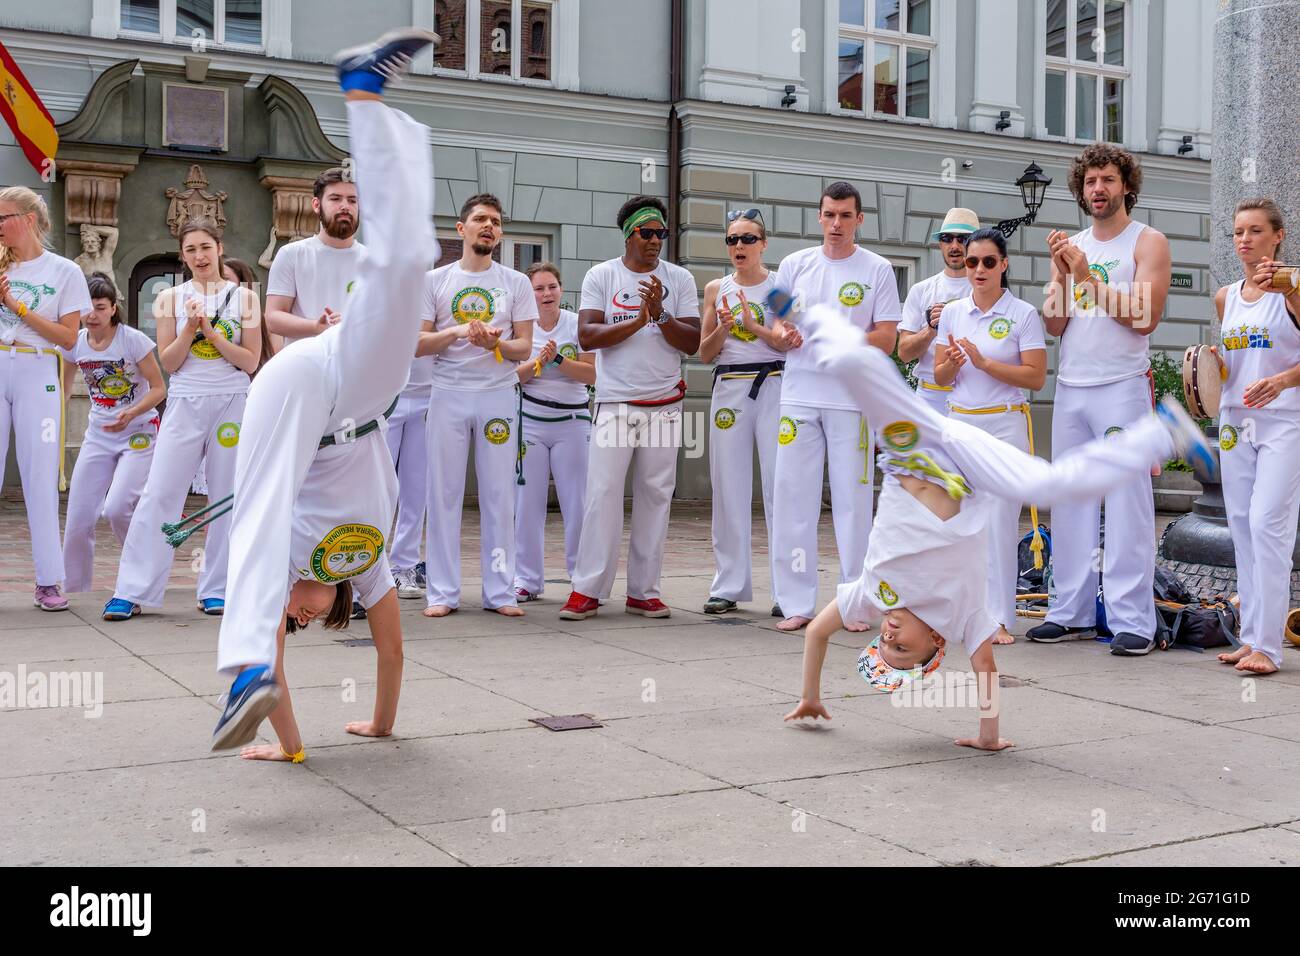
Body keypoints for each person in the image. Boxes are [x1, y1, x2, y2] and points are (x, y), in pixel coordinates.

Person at [778, 297, 1216, 747]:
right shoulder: (963, 618)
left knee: (854, 367)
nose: (887, 635)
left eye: (884, 644)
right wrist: (989, 737)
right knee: (1052, 485)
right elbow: (985, 669)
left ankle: (801, 311)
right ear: (934, 642)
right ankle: (1165, 432)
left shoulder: (873, 595)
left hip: (915, 443)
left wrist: (810, 695)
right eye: (900, 647)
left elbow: (816, 632)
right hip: (968, 467)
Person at [210, 27, 438, 752]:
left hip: (317, 389)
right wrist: (382, 725)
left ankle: (360, 93)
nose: (298, 618)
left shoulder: (296, 567)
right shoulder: (369, 571)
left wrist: (293, 746)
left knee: (401, 260)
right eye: (305, 621)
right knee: (411, 266)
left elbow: (289, 599)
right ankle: (246, 667)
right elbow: (395, 655)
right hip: (345, 390)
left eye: (289, 627)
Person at [1032, 144, 1172, 656]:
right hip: (1072, 385)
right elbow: (1054, 323)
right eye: (1090, 181)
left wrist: (1088, 276)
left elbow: (1145, 317)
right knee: (1070, 500)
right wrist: (1061, 272)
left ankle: (1133, 620)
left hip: (1121, 385)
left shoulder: (1147, 241)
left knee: (1127, 502)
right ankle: (1069, 612)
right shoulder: (1073, 245)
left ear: (1125, 186)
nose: (1098, 189)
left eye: (1108, 180)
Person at [101, 219, 261, 620]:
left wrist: (214, 332)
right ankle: (132, 589)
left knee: (226, 494)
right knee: (160, 493)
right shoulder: (169, 297)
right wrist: (190, 328)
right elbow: (170, 363)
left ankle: (217, 588)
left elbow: (250, 362)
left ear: (219, 248)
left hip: (231, 402)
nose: (199, 256)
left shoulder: (245, 299)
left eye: (205, 247)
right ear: (183, 255)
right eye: (191, 250)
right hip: (186, 401)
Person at [558, 196, 701, 621]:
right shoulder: (602, 274)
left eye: (661, 232)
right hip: (616, 402)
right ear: (629, 234)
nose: (656, 240)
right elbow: (587, 336)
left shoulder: (680, 279)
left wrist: (659, 315)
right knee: (602, 494)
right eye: (647, 232)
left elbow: (691, 342)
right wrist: (638, 320)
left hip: (665, 404)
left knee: (655, 496)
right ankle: (587, 590)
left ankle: (644, 591)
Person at [767, 182, 902, 631]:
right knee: (793, 500)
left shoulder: (877, 269)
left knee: (853, 503)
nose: (836, 224)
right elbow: (776, 319)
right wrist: (784, 333)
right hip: (800, 397)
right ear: (819, 216)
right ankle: (795, 603)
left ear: (859, 219)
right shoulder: (794, 265)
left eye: (845, 216)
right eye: (829, 215)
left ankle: (856, 602)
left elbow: (887, 338)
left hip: (851, 399)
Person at [417, 193, 536, 618]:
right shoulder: (436, 281)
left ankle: (501, 592)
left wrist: (495, 343)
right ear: (461, 229)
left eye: (496, 222)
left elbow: (524, 348)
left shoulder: (516, 283)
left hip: (497, 394)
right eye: (481, 219)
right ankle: (442, 593)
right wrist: (456, 334)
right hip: (448, 393)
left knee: (500, 495)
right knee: (443, 493)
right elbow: (417, 344)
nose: (490, 227)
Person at [933, 228, 1046, 642]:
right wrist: (955, 363)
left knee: (999, 521)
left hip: (1004, 423)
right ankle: (962, 611)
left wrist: (983, 362)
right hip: (961, 423)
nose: (978, 270)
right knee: (960, 522)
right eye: (971, 262)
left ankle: (999, 618)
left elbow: (1034, 377)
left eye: (987, 262)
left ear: (1003, 265)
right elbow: (942, 377)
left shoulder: (1022, 314)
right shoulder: (952, 313)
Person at [1211, 198, 1300, 676]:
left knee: (1269, 524)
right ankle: (1251, 639)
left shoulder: (1293, 290)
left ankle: (1269, 646)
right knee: (1243, 527)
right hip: (1232, 422)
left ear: (1277, 236)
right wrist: (1205, 369)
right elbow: (1230, 363)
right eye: (1238, 232)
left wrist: (1283, 381)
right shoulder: (1226, 296)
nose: (1244, 239)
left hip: (1283, 419)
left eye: (1256, 231)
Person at [697, 209, 799, 615]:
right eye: (732, 240)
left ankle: (786, 590)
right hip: (729, 387)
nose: (739, 246)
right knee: (728, 487)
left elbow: (786, 343)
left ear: (763, 244)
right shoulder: (715, 288)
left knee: (780, 487)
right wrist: (723, 327)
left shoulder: (777, 288)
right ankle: (729, 584)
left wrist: (750, 324)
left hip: (773, 384)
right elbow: (705, 353)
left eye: (747, 239)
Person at [0, 186, 93, 611]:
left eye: (3, 218)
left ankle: (49, 580)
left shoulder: (64, 271)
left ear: (28, 218)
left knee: (40, 474)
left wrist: (15, 307)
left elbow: (69, 337)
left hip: (39, 369)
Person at [61, 272, 165, 592]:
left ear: (113, 309)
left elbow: (159, 389)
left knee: (117, 508)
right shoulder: (75, 342)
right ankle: (74, 588)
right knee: (78, 516)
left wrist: (131, 412)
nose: (92, 315)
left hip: (138, 432)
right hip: (99, 434)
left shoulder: (132, 340)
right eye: (87, 308)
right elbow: (62, 389)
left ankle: (141, 571)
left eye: (100, 307)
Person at [512, 262, 596, 602]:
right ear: (529, 293)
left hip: (572, 421)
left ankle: (582, 578)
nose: (546, 294)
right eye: (539, 289)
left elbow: (591, 375)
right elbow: (511, 375)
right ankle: (527, 580)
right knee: (527, 504)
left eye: (552, 287)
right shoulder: (522, 327)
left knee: (576, 503)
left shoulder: (577, 325)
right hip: (530, 420)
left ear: (561, 289)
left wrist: (559, 360)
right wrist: (539, 363)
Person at [264, 167, 365, 349]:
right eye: (335, 199)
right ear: (316, 205)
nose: (345, 206)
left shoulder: (375, 262)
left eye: (352, 200)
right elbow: (273, 318)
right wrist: (316, 327)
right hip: (305, 364)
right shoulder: (291, 254)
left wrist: (354, 323)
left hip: (357, 366)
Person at [896, 208, 977, 414]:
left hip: (975, 394)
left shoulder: (988, 290)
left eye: (963, 239)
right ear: (940, 243)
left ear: (977, 243)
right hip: (930, 396)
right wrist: (931, 329)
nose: (955, 246)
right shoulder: (921, 290)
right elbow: (904, 353)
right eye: (947, 238)